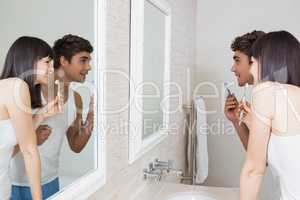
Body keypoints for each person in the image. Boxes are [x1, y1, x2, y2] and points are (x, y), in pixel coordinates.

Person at [10, 34, 94, 200]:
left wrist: (92, 114)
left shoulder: (75, 97)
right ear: (63, 61)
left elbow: (76, 145)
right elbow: (6, 143)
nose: (89, 67)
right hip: (15, 184)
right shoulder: (29, 87)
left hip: (50, 182)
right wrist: (32, 137)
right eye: (83, 60)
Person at [239, 30, 300, 199]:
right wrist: (252, 122)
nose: (250, 69)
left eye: (252, 62)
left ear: (267, 61)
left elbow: (254, 170)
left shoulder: (266, 91)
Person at [0, 36, 56, 200]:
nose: (51, 69)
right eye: (47, 62)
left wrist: (41, 115)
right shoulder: (16, 86)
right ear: (29, 60)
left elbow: (7, 152)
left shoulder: (9, 87)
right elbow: (29, 152)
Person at [224, 30, 265, 150]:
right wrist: (237, 120)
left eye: (237, 60)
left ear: (255, 61)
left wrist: (252, 121)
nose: (232, 68)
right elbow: (262, 155)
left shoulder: (276, 96)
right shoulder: (261, 94)